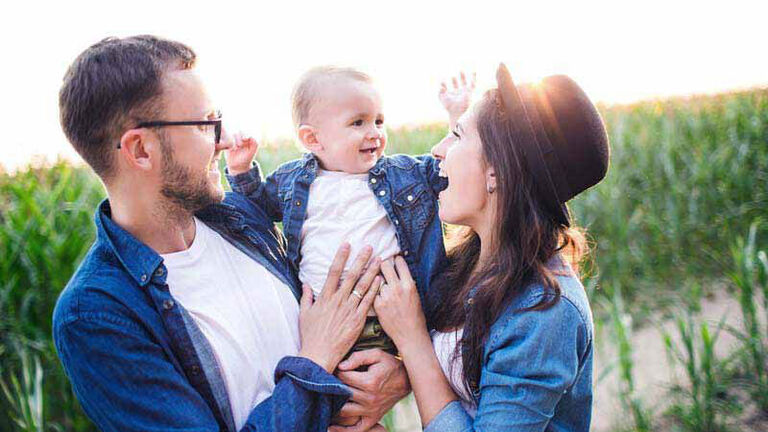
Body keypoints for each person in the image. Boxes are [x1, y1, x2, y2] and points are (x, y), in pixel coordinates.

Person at [52, 35, 408, 432]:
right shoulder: (98, 316)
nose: (222, 140)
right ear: (140, 150)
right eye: (206, 124)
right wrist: (315, 361)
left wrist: (397, 374)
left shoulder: (241, 221)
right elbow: (322, 344)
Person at [372, 64, 610, 431]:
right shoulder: (474, 261)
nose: (436, 149)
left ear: (496, 171)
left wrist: (413, 340)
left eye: (455, 135)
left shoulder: (545, 313)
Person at [225, 66, 472, 356]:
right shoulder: (294, 182)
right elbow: (255, 209)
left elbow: (447, 172)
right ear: (313, 139)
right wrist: (241, 169)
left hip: (389, 321)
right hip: (319, 323)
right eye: (358, 123)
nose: (375, 133)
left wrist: (458, 118)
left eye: (379, 121)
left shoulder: (402, 175)